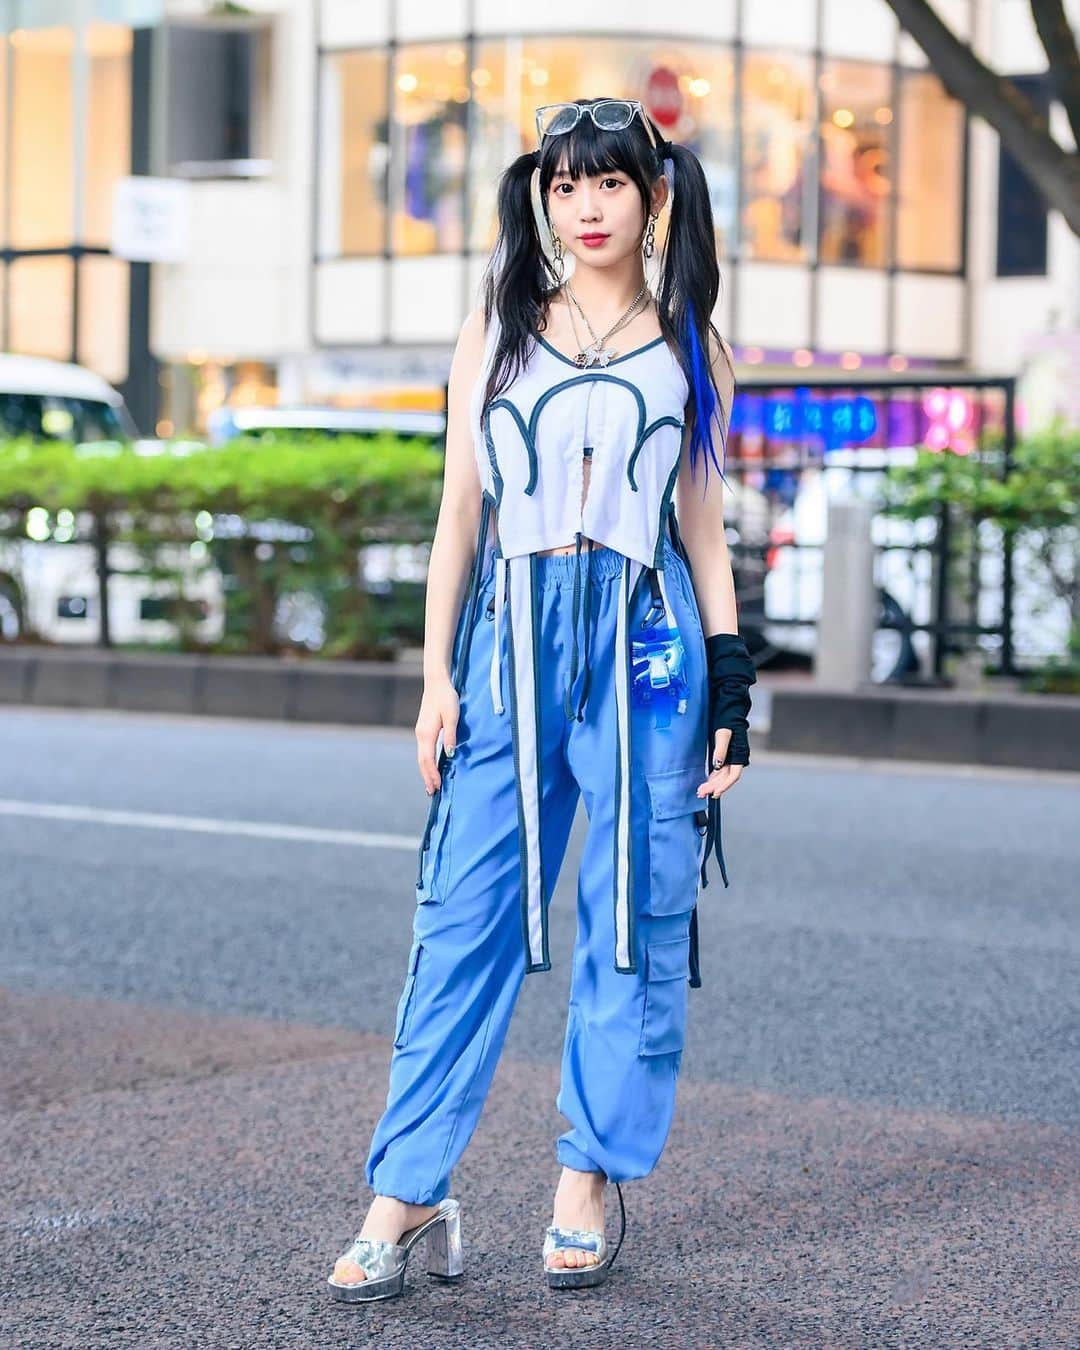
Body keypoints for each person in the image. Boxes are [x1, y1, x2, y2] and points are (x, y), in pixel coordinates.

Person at [327, 97, 755, 1303]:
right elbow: (459, 511)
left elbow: (705, 531)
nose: (585, 207)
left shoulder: (692, 342)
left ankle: (588, 1178)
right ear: (541, 197)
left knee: (632, 914)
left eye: (609, 184)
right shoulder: (496, 327)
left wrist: (732, 686)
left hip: (647, 648)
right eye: (565, 186)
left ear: (652, 197)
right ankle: (407, 1195)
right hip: (511, 637)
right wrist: (433, 677)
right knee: (460, 919)